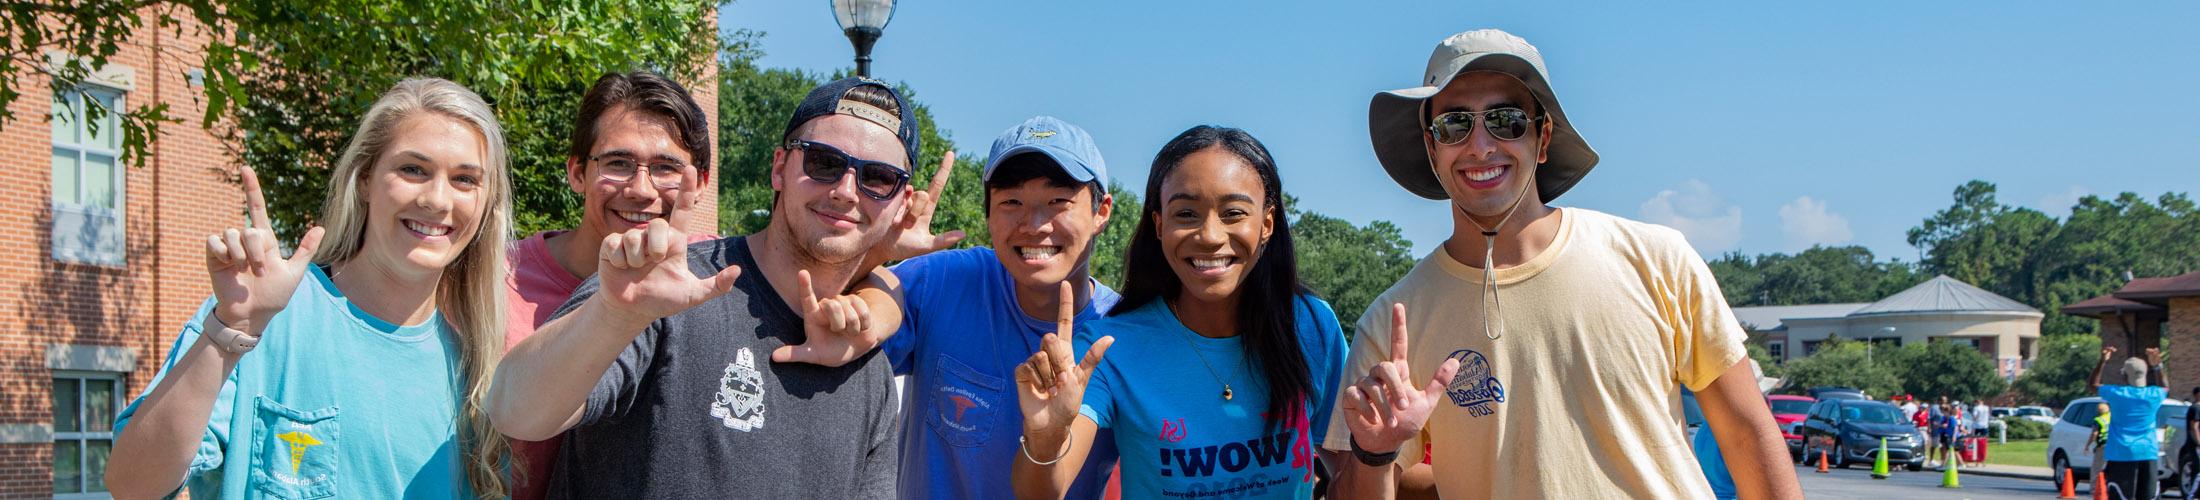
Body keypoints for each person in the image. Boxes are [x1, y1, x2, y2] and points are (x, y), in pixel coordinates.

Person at [1319, 28, 1800, 499]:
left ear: (1542, 138)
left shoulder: (1658, 260)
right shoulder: (1394, 319)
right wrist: (1376, 454)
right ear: (1432, 148)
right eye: (1454, 125)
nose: (1481, 146)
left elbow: (1746, 434)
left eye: (1506, 120)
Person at [489, 77, 931, 498]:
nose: (846, 191)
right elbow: (516, 410)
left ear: (901, 204)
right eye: (824, 163)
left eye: (878, 178)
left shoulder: (869, 368)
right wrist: (615, 311)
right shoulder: (664, 286)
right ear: (779, 167)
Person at [107, 78, 514, 498]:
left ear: (486, 204)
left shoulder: (477, 371)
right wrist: (232, 329)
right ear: (364, 179)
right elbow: (132, 486)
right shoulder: (260, 317)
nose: (437, 199)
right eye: (413, 169)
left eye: (465, 179)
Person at [1010, 126, 1348, 499]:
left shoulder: (1311, 326)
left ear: (1266, 223)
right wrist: (1045, 440)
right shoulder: (1107, 348)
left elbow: (1350, 473)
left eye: (1234, 213)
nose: (1210, 235)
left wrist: (1383, 448)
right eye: (1186, 213)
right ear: (1159, 225)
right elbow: (1040, 493)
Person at [881, 116, 1124, 499]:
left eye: (1058, 201)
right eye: (1011, 202)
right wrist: (873, 252)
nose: (1034, 223)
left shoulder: (1125, 334)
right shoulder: (937, 282)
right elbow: (829, 331)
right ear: (989, 214)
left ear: (1101, 211)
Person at [2093, 346, 2169, 500]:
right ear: (2145, 375)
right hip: (2147, 452)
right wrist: (2157, 365)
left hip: (2121, 453)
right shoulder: (2153, 394)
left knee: (2121, 495)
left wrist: (2102, 361)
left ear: (2125, 376)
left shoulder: (2118, 394)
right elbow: (2165, 387)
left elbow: (2093, 385)